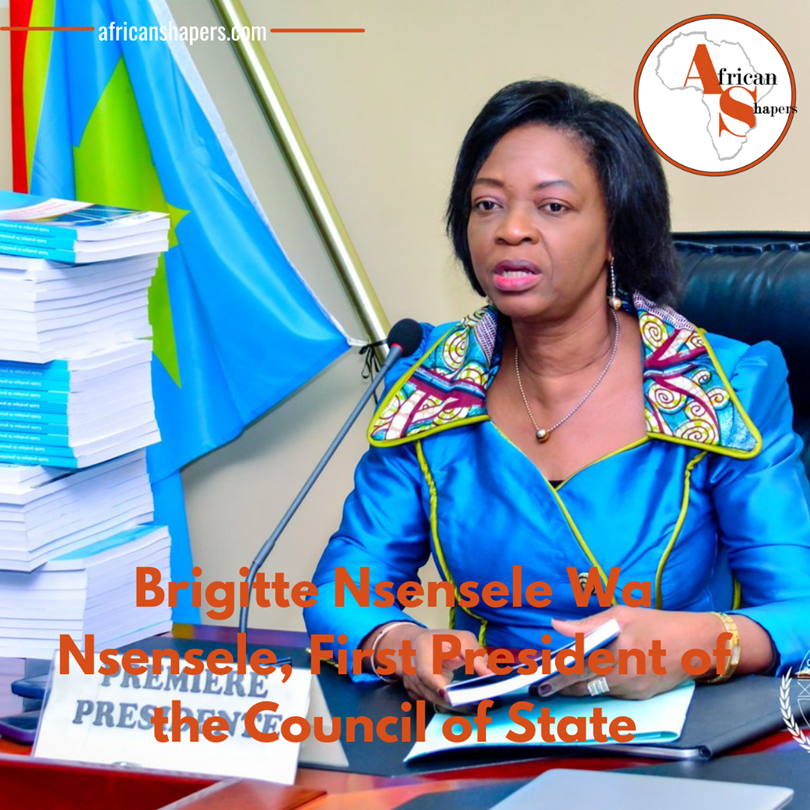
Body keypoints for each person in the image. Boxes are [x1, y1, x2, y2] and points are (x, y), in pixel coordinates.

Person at [305, 80, 810, 708]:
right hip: (487, 731)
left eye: (552, 206)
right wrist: (400, 642)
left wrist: (702, 644)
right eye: (487, 205)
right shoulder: (434, 382)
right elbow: (344, 589)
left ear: (617, 232)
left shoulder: (721, 385)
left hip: (681, 736)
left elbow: (799, 610)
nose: (510, 230)